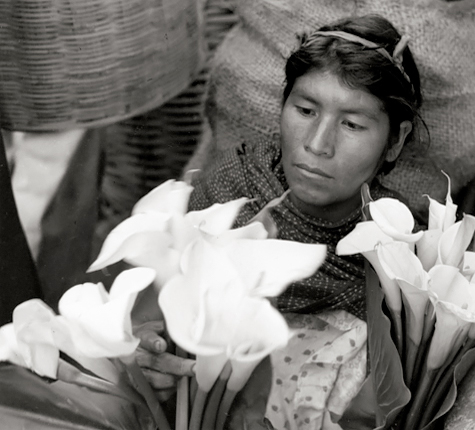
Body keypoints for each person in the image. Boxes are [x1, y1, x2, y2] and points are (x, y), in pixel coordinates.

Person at [134, 13, 424, 409]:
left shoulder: (400, 246)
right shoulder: (231, 190)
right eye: (305, 110)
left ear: (395, 140)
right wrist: (156, 357)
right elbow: (159, 313)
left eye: (353, 124)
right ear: (283, 104)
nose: (318, 145)